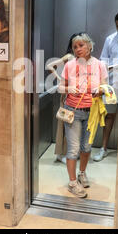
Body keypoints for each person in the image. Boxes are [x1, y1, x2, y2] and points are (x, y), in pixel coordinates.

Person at [59, 33, 108, 198]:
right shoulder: (69, 65)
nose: (78, 49)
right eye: (75, 47)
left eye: (81, 45)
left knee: (86, 147)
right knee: (73, 149)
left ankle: (82, 173)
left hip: (92, 112)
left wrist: (100, 90)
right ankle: (72, 183)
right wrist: (68, 89)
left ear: (89, 46)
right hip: (73, 110)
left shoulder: (100, 65)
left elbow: (106, 87)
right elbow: (60, 88)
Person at [93, 12, 118, 162]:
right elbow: (102, 63)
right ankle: (103, 148)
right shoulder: (110, 40)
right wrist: (116, 67)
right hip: (113, 85)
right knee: (109, 116)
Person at [47, 34, 76, 164]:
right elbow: (49, 66)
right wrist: (60, 80)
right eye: (76, 44)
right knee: (66, 122)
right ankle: (61, 153)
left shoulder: (81, 59)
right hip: (66, 93)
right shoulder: (70, 57)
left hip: (75, 94)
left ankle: (65, 152)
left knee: (72, 123)